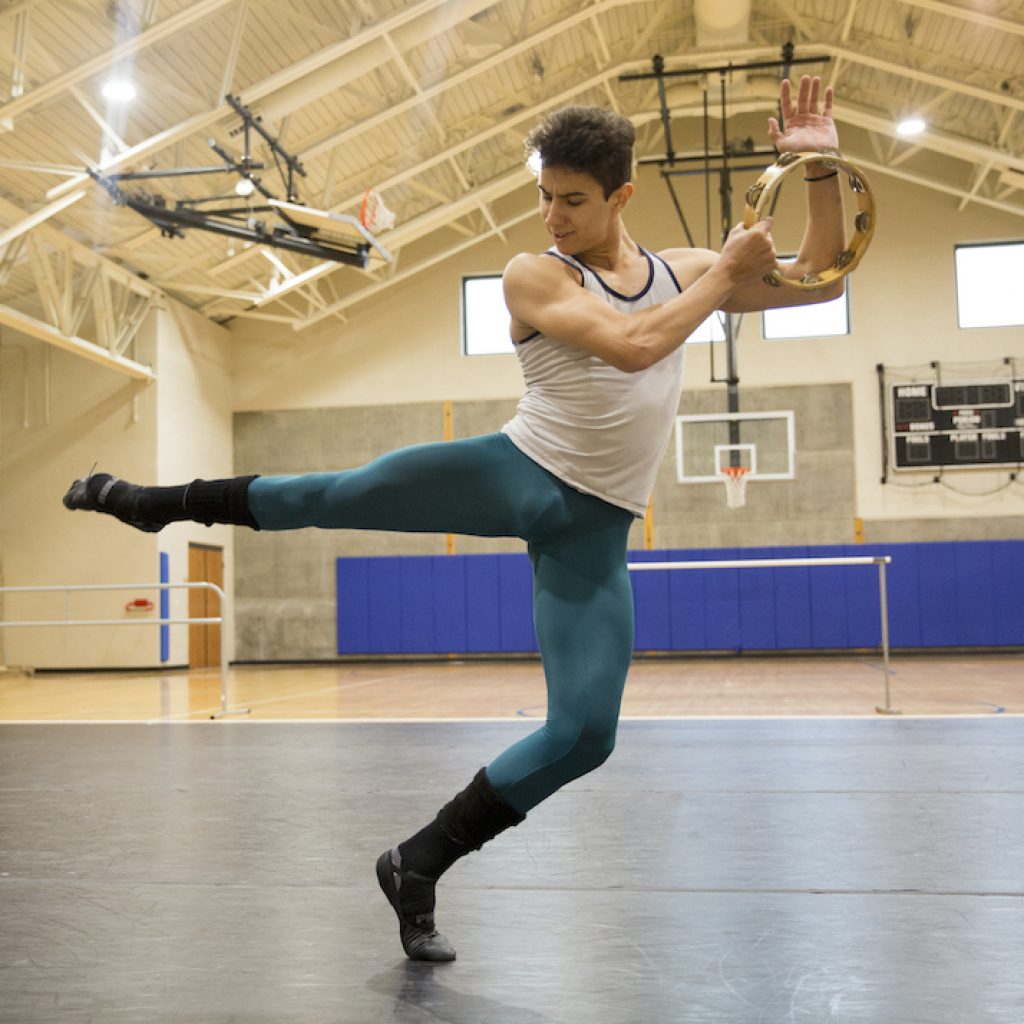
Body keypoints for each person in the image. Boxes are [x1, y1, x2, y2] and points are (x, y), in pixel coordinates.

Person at [64, 76, 847, 962]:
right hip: (515, 475)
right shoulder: (533, 273)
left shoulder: (685, 273)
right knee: (334, 494)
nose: (552, 214)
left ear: (621, 196)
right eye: (545, 196)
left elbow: (820, 280)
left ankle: (418, 861)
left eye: (574, 201)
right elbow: (634, 348)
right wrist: (731, 278)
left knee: (585, 736)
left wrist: (817, 166)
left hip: (596, 526)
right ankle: (149, 506)